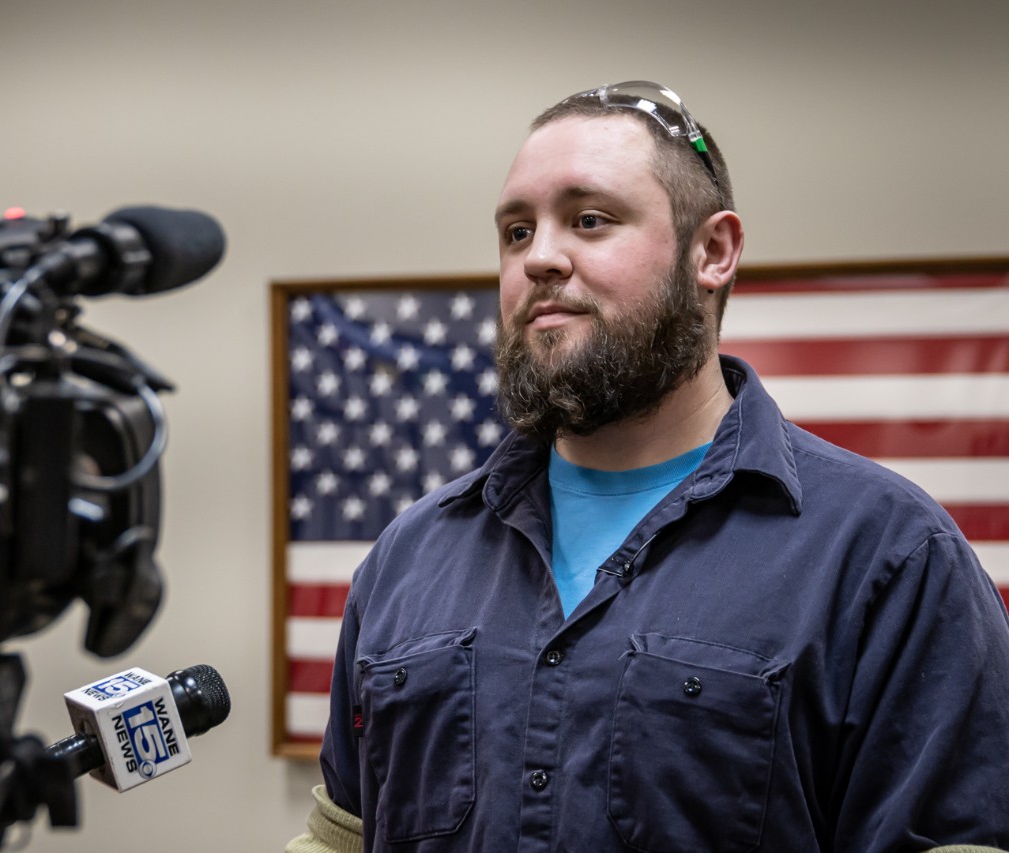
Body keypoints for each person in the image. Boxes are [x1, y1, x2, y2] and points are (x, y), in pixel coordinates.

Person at [293, 81, 1009, 851]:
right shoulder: (409, 557)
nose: (540, 257)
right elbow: (340, 837)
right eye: (516, 231)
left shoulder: (886, 554)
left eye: (589, 220)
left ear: (713, 251)